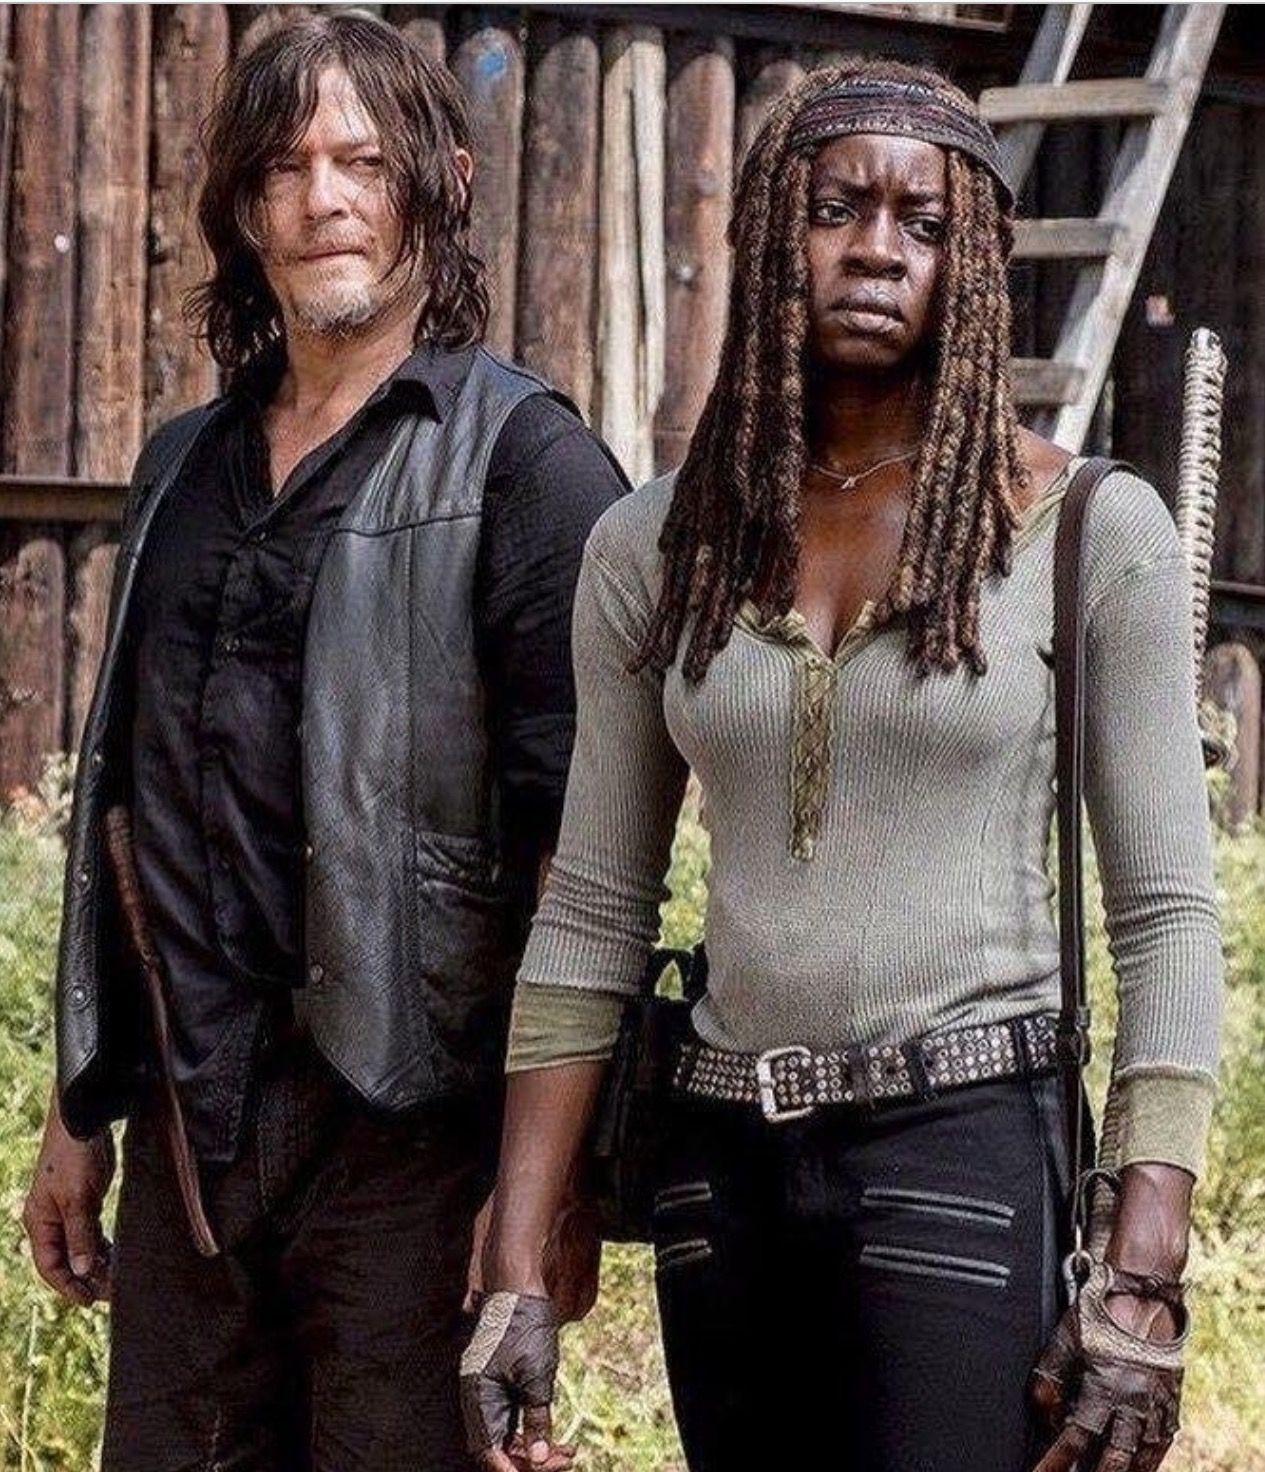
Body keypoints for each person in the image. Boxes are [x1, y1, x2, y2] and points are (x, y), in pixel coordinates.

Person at [463, 58, 1225, 1472]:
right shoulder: (655, 548)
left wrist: (1143, 1263)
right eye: (836, 209)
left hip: (965, 1143)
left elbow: (1167, 911)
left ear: (971, 264)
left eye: (922, 223)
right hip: (720, 1170)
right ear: (771, 236)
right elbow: (594, 907)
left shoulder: (1082, 531)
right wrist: (516, 1256)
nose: (878, 250)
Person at [21, 12, 626, 1469]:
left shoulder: (530, 465)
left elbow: (586, 859)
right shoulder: (183, 466)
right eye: (283, 168)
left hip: (415, 1146)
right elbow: (131, 804)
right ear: (242, 207)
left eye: (363, 162)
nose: (323, 200)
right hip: (193, 1134)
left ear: (444, 183)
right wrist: (79, 1106)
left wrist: (542, 1192)